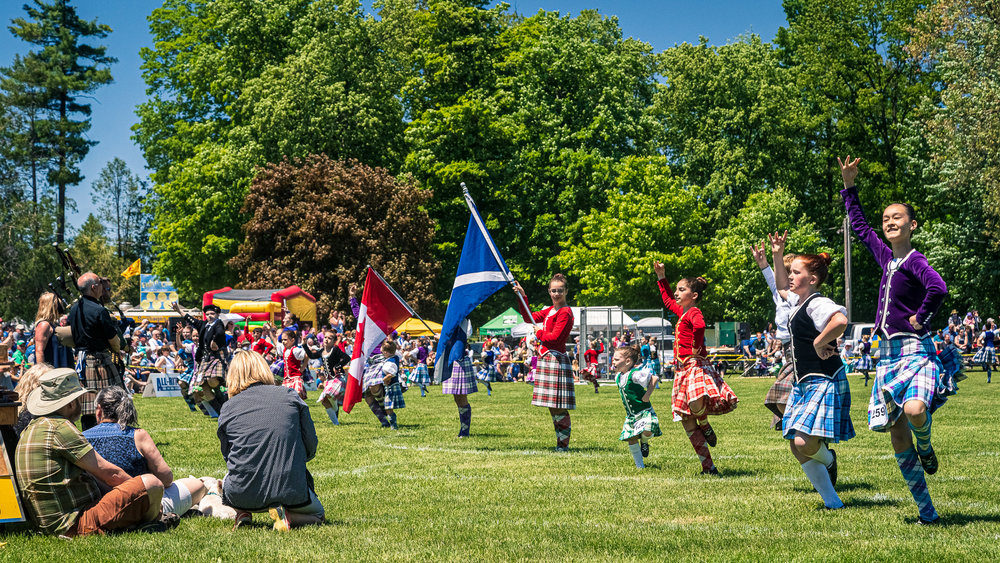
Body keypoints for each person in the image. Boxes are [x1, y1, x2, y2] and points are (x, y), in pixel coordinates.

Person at [840, 155, 963, 524]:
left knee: (914, 412)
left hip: (917, 352)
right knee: (896, 435)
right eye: (886, 219)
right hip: (888, 358)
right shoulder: (886, 258)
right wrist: (850, 187)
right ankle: (926, 510)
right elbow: (860, 227)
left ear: (912, 225)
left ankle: (925, 447)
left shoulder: (914, 260)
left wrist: (919, 317)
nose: (890, 222)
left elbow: (938, 288)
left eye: (898, 218)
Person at [15, 368, 175, 536]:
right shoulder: (59, 428)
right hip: (74, 523)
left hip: (50, 522)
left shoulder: (33, 427)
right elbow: (110, 473)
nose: (82, 404)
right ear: (70, 403)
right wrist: (143, 495)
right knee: (151, 483)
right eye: (79, 399)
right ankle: (150, 520)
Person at [776, 251, 853, 509]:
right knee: (796, 446)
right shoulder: (799, 302)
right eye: (790, 272)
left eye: (796, 272)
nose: (791, 277)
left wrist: (820, 342)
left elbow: (841, 320)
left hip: (823, 379)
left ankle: (829, 460)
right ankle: (833, 503)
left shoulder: (816, 303)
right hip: (804, 383)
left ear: (813, 279)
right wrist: (777, 255)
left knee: (803, 443)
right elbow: (779, 286)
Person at [218, 351, 324, 531]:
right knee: (317, 516)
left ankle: (242, 513)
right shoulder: (289, 394)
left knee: (227, 478)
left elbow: (229, 456)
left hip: (242, 493)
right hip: (291, 490)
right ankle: (287, 516)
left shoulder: (227, 407)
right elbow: (310, 443)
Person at [654, 261, 738, 475]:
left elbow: (700, 326)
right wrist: (662, 277)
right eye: (677, 289)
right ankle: (708, 467)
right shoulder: (682, 312)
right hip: (682, 369)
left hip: (694, 364)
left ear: (694, 295)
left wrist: (696, 345)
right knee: (686, 420)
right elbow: (667, 300)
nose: (676, 293)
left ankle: (704, 422)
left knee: (694, 402)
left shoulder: (694, 312)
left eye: (682, 290)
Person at [83, 387, 207, 517]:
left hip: (96, 507)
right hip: (138, 506)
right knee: (197, 485)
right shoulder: (138, 435)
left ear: (99, 410)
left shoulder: (81, 438)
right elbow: (166, 478)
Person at [513, 274, 576, 451]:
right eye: (553, 290)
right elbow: (528, 317)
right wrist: (522, 296)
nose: (556, 294)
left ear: (566, 291)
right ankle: (560, 443)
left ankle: (563, 445)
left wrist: (539, 332)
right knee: (551, 405)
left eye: (560, 291)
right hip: (547, 359)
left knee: (558, 406)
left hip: (556, 359)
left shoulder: (565, 312)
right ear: (549, 291)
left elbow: (555, 338)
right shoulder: (550, 310)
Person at [751, 236, 797, 431]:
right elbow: (772, 280)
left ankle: (790, 420)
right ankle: (784, 420)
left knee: (788, 385)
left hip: (798, 346)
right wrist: (763, 264)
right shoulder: (779, 294)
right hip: (787, 347)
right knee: (784, 384)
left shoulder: (799, 295)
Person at [68, 272, 125, 430]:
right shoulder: (100, 310)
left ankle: (88, 436)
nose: (103, 287)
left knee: (88, 407)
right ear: (94, 287)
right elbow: (113, 339)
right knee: (112, 401)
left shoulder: (73, 310)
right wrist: (117, 350)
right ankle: (110, 434)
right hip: (99, 360)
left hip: (81, 361)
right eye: (100, 284)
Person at [171, 301, 227, 417]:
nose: (210, 316)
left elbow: (221, 333)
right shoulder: (203, 325)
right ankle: (220, 412)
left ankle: (225, 405)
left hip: (216, 358)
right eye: (207, 314)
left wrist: (215, 341)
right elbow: (188, 318)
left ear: (217, 314)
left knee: (212, 381)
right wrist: (177, 309)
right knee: (204, 387)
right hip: (204, 359)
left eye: (212, 313)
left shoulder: (218, 324)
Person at [611, 345, 661, 469]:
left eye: (617, 360)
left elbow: (654, 378)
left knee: (648, 430)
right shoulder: (618, 376)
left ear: (628, 361)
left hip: (644, 411)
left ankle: (644, 441)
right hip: (631, 415)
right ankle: (640, 466)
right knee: (631, 438)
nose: (613, 361)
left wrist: (647, 395)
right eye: (613, 359)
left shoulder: (635, 374)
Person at [317, 331, 351, 425]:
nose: (326, 339)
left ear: (334, 341)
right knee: (324, 401)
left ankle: (335, 408)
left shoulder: (335, 350)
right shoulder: (322, 351)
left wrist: (337, 366)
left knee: (328, 394)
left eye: (329, 338)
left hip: (338, 378)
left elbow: (347, 358)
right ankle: (336, 423)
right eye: (325, 337)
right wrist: (304, 344)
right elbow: (312, 356)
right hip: (329, 380)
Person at [32, 292, 74, 369]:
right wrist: (43, 374)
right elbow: (39, 351)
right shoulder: (44, 325)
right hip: (52, 372)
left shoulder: (54, 324)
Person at [380, 340, 405, 430]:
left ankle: (393, 424)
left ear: (386, 352)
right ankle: (393, 424)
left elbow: (392, 373)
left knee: (388, 407)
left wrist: (384, 379)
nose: (382, 353)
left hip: (391, 386)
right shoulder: (395, 357)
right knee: (388, 406)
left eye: (383, 352)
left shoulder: (389, 362)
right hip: (391, 386)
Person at [973, 319, 997, 383]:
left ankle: (974, 361)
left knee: (979, 356)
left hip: (987, 348)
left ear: (986, 327)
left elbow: (979, 339)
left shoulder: (984, 333)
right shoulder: (993, 333)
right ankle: (989, 378)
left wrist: (979, 343)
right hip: (992, 348)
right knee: (989, 364)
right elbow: (995, 338)